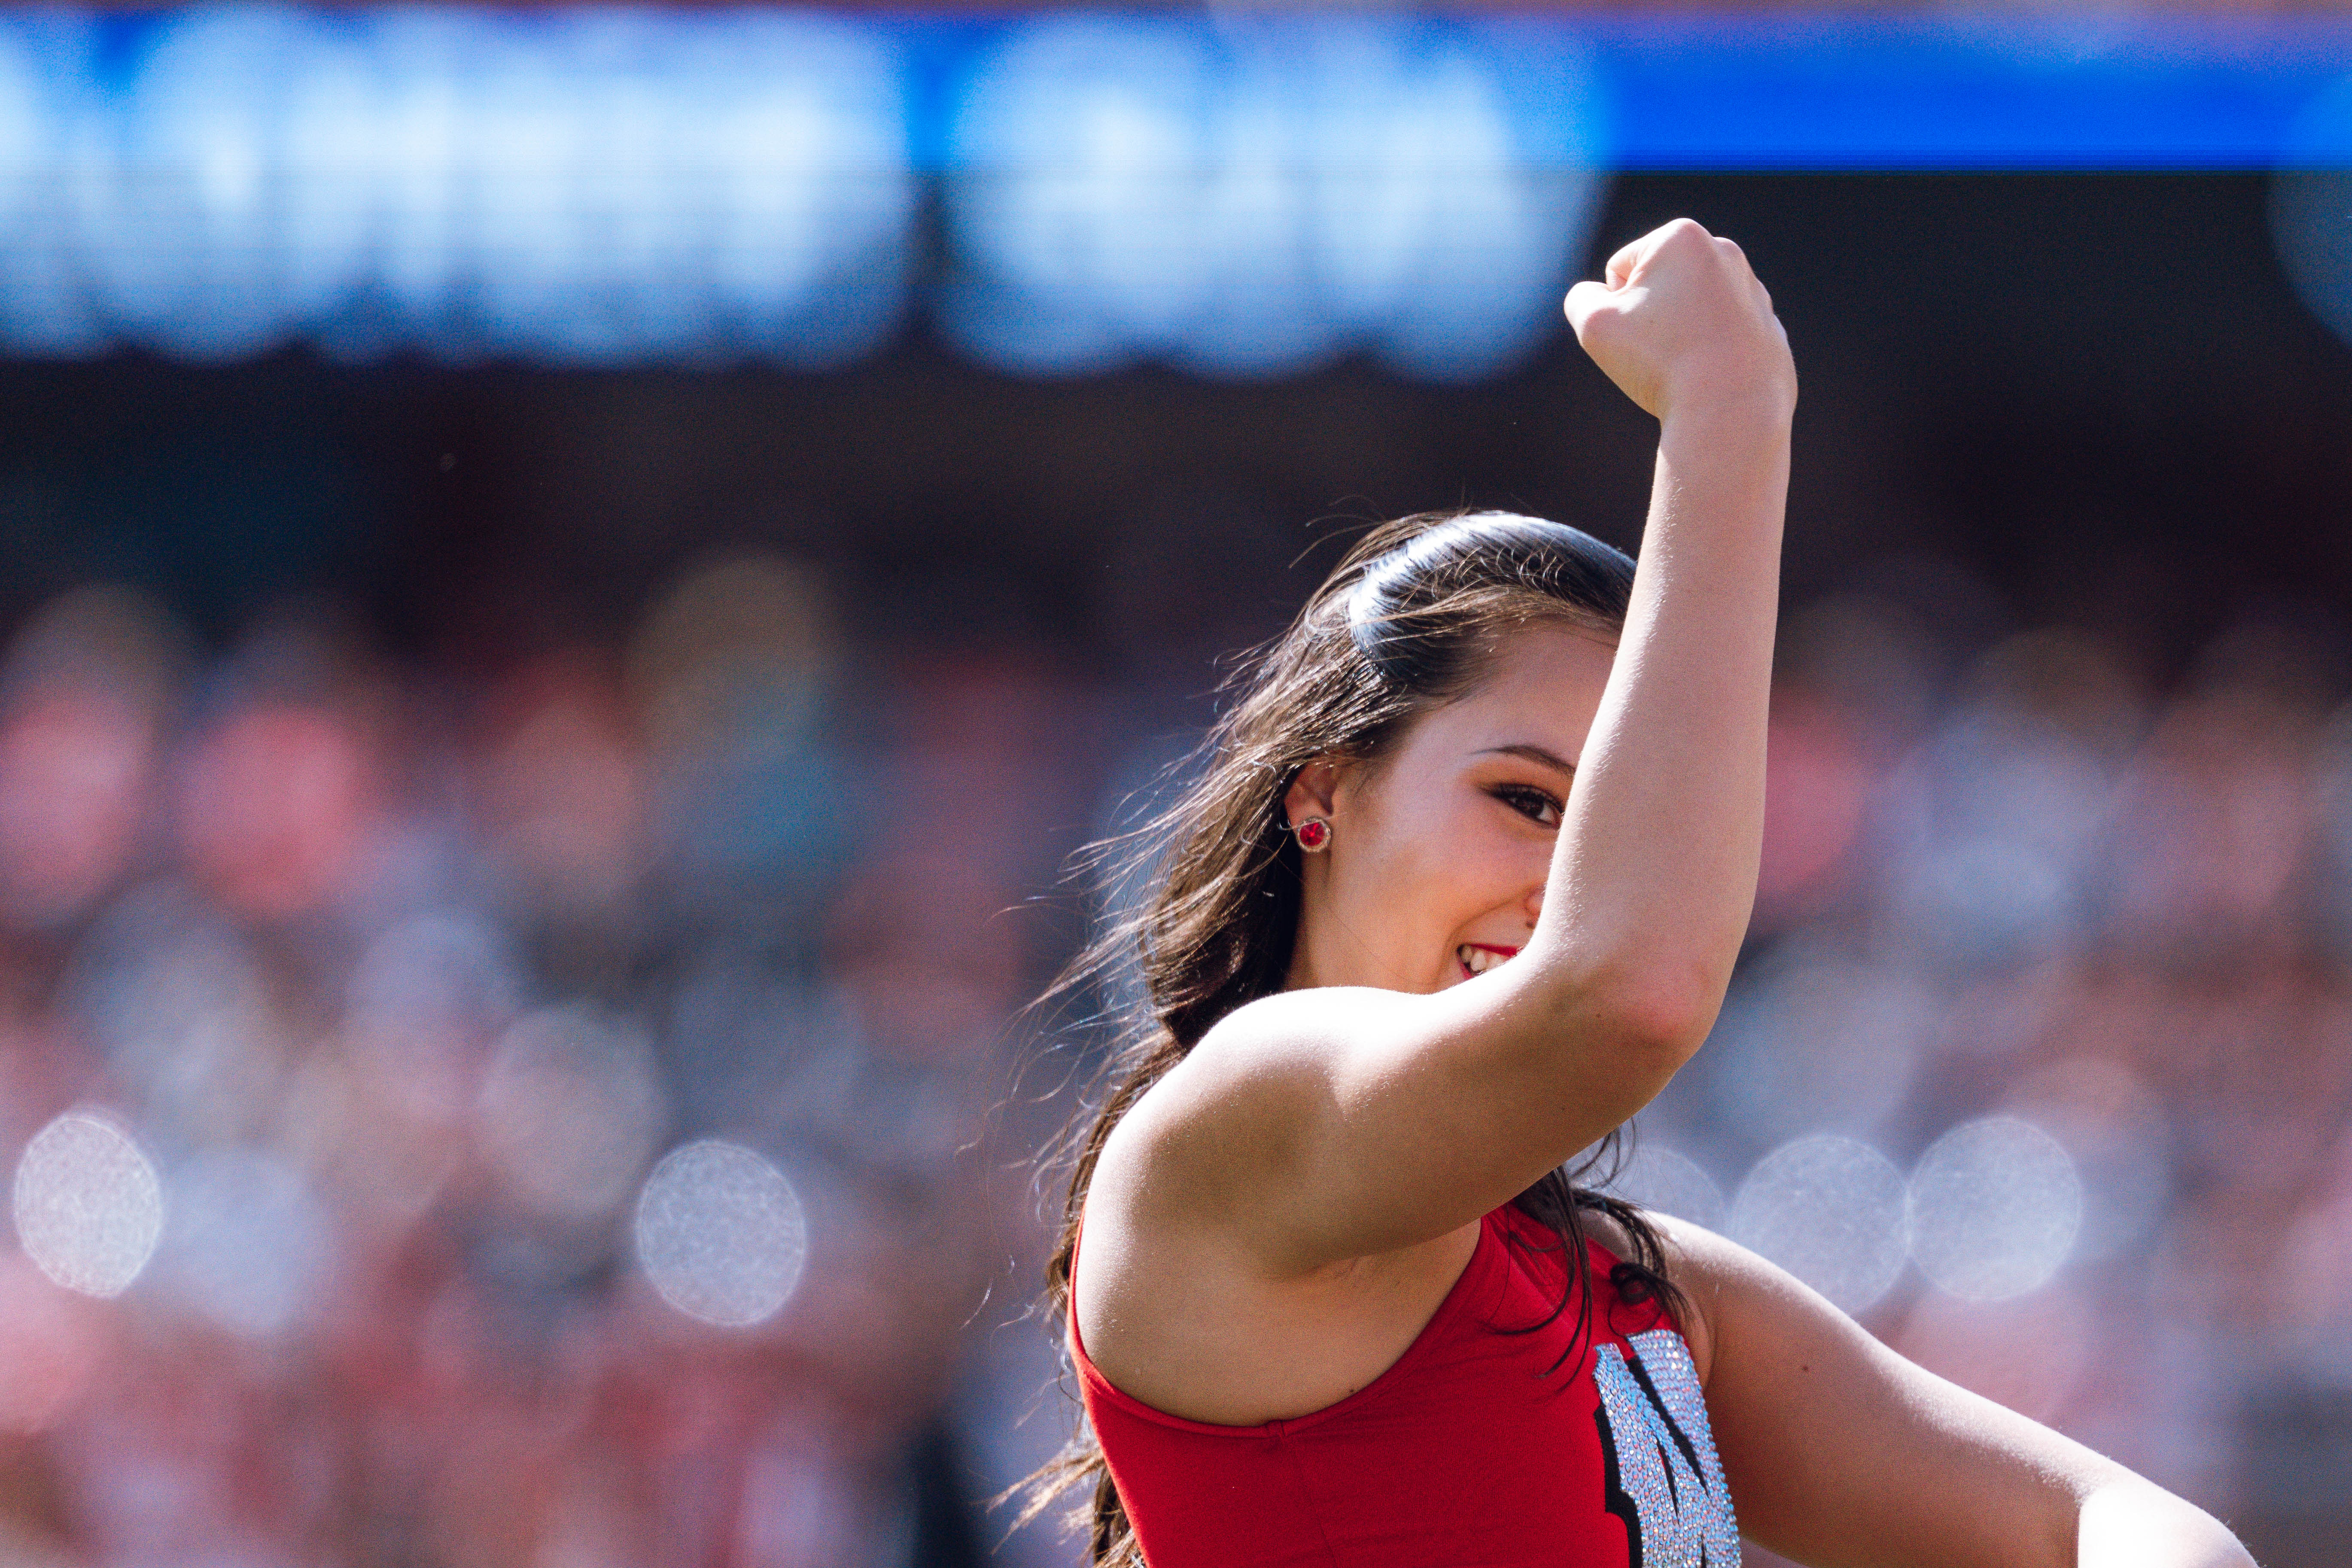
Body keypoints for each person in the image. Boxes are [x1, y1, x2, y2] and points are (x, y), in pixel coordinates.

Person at [1014, 217, 2260, 1568]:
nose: (1569, 880)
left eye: (1612, 823)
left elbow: (2107, 1520)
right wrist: (1729, 415)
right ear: (1324, 793)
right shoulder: (1228, 1125)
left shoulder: (1639, 1289)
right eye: (1526, 800)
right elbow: (1628, 989)